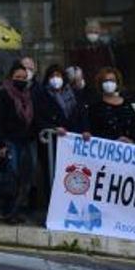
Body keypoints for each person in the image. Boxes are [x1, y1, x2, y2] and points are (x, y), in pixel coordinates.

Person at [0, 63, 38, 224]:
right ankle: (8, 211)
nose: (21, 80)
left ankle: (17, 210)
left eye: (24, 78)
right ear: (10, 78)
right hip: (9, 141)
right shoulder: (3, 95)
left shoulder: (29, 96)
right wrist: (0, 144)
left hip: (26, 142)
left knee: (25, 177)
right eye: (18, 77)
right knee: (12, 177)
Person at [34, 64, 91, 204]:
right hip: (52, 144)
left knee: (75, 175)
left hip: (73, 143)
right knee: (53, 176)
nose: (55, 79)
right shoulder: (42, 96)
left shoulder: (74, 94)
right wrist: (53, 128)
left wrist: (85, 130)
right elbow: (38, 118)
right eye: (52, 76)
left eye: (58, 76)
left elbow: (82, 115)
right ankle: (53, 208)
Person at [87, 67, 135, 143]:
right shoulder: (95, 107)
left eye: (112, 80)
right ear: (100, 84)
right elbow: (93, 130)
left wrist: (130, 140)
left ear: (117, 83)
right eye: (106, 81)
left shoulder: (126, 104)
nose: (109, 83)